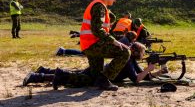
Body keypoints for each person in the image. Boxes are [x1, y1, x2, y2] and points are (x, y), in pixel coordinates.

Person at [23, 41, 168, 88]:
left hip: (100, 71)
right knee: (74, 78)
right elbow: (136, 79)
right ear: (136, 53)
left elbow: (143, 76)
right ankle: (37, 76)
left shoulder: (131, 61)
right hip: (100, 74)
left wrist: (158, 72)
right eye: (143, 53)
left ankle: (42, 72)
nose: (144, 56)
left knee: (76, 74)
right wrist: (150, 68)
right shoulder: (128, 60)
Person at [79, 0, 130, 91]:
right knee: (125, 52)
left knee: (93, 78)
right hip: (93, 44)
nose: (115, 0)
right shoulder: (99, 6)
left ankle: (60, 76)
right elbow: (97, 29)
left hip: (88, 44)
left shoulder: (98, 4)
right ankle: (104, 79)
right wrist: (113, 41)